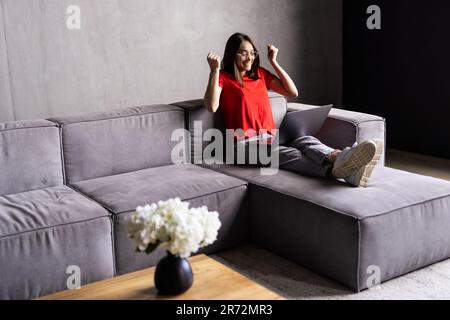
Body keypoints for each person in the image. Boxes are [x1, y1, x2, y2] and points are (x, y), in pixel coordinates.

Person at [203, 32, 382, 187]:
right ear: (232, 54)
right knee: (290, 153)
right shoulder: (223, 78)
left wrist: (274, 61)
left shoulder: (260, 75)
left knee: (305, 139)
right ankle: (341, 167)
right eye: (243, 53)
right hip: (242, 146)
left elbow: (292, 92)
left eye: (252, 53)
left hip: (271, 137)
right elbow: (211, 106)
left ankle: (342, 161)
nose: (250, 57)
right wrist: (214, 71)